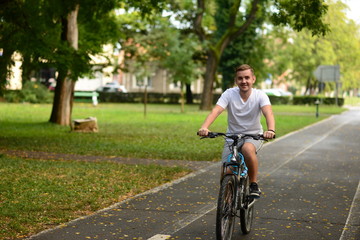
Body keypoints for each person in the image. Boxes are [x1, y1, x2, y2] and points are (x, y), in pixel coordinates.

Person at [198, 64, 275, 198]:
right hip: (232, 137)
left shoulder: (260, 95)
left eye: (247, 78)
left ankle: (253, 184)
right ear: (236, 80)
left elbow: (268, 113)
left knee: (246, 150)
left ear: (253, 79)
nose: (244, 81)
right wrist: (204, 127)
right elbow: (216, 110)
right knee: (227, 172)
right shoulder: (229, 93)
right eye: (240, 78)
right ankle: (226, 207)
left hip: (253, 136)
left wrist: (271, 130)